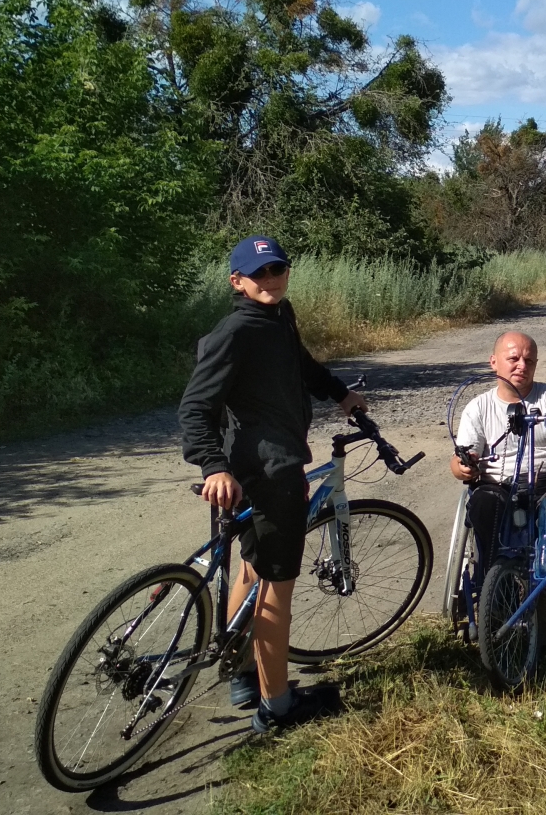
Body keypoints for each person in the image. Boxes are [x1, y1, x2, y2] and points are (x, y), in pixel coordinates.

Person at [178, 235, 366, 733]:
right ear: (236, 282)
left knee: (251, 565)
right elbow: (195, 407)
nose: (270, 279)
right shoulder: (237, 331)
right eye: (258, 273)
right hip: (266, 472)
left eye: (277, 269)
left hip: (260, 467)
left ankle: (242, 671)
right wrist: (212, 466)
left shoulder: (279, 316)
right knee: (277, 589)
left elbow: (299, 364)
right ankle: (277, 706)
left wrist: (339, 393)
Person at [450, 331, 546, 574]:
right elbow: (459, 461)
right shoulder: (478, 408)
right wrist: (463, 468)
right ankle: (495, 578)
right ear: (494, 362)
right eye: (514, 359)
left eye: (529, 360)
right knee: (482, 504)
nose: (522, 366)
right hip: (499, 488)